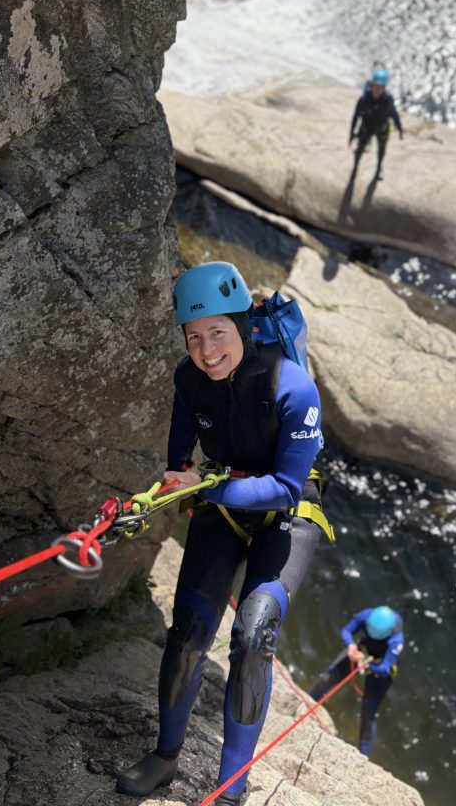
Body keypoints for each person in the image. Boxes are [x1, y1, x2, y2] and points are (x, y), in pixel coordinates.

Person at [117, 261, 329, 803]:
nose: (207, 351)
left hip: (287, 511)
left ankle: (230, 790)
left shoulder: (293, 387)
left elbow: (284, 486)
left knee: (254, 634)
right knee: (187, 630)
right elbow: (177, 462)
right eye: (194, 338)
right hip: (225, 499)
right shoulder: (189, 379)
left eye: (218, 333)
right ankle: (166, 756)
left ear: (242, 327)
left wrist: (206, 490)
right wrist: (154, 496)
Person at [308, 605, 403, 756]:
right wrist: (351, 645)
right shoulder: (366, 616)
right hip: (360, 651)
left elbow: (385, 669)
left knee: (369, 708)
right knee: (327, 678)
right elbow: (347, 631)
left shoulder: (396, 641)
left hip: (378, 666)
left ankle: (363, 753)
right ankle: (306, 706)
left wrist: (365, 661)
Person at [348, 66, 403, 182]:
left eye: (380, 87)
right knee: (359, 149)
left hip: (382, 128)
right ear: (371, 85)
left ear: (384, 87)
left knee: (382, 150)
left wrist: (400, 129)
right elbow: (356, 117)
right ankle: (355, 167)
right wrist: (351, 135)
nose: (377, 89)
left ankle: (379, 168)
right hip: (366, 128)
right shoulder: (363, 100)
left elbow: (394, 114)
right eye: (375, 86)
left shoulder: (388, 100)